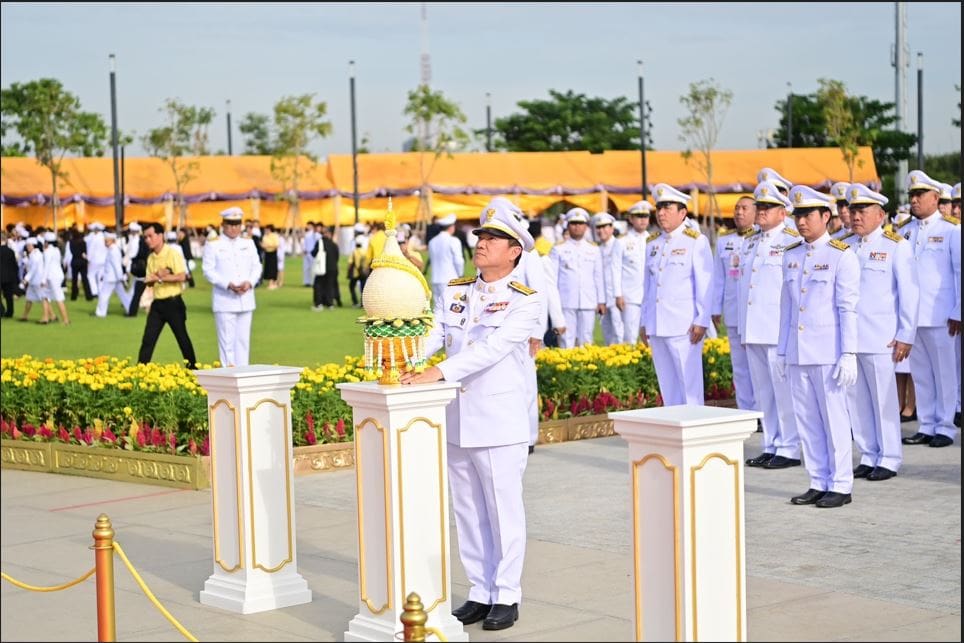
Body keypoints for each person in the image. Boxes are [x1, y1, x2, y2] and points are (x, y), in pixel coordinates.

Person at [401, 198, 540, 632]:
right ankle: (480, 590)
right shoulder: (458, 290)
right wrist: (405, 358)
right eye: (481, 236)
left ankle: (507, 594)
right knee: (467, 510)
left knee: (503, 510)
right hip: (458, 417)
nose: (482, 243)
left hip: (499, 421)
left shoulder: (524, 301)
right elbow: (438, 333)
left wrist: (437, 372)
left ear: (514, 250)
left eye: (493, 238)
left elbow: (491, 350)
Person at [778, 186, 860, 509]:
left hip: (828, 352)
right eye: (797, 215)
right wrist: (783, 352)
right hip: (799, 352)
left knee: (834, 420)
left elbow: (847, 309)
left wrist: (849, 353)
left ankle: (840, 484)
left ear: (826, 216)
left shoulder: (842, 255)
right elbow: (787, 309)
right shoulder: (791, 254)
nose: (801, 221)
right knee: (807, 419)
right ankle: (818, 480)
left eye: (807, 215)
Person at [846, 184, 919, 482]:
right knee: (858, 400)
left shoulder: (896, 245)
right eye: (853, 211)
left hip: (881, 337)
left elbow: (909, 293)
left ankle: (889, 457)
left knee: (883, 400)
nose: (856, 217)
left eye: (862, 211)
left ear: (880, 215)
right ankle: (868, 453)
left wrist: (906, 334)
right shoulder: (846, 245)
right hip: (851, 339)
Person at [739, 182, 802, 469]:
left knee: (783, 392)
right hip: (754, 328)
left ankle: (789, 447)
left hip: (777, 329)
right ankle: (772, 443)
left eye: (767, 207)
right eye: (759, 206)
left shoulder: (792, 239)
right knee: (764, 392)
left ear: (783, 211)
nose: (761, 212)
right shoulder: (751, 240)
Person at [899, 170, 961, 448]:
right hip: (913, 317)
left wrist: (959, 310)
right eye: (912, 195)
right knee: (921, 374)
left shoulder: (951, 230)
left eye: (920, 195)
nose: (914, 200)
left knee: (945, 374)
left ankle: (946, 427)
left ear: (935, 198)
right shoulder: (905, 232)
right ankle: (926, 424)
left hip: (941, 315)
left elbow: (959, 273)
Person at [639, 184, 713, 406]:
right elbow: (648, 286)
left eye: (667, 207)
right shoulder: (652, 243)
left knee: (689, 385)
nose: (661, 213)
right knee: (668, 385)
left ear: (683, 212)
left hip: (684, 325)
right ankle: (674, 434)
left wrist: (702, 319)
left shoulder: (695, 240)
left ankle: (694, 434)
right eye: (659, 208)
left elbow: (705, 283)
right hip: (657, 323)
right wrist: (644, 321)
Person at [710, 195, 757, 413]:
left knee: (758, 367)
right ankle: (747, 411)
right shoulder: (723, 241)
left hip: (755, 313)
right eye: (737, 208)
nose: (739, 212)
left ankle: (762, 411)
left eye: (744, 208)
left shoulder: (759, 239)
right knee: (739, 367)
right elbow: (718, 278)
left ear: (756, 212)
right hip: (733, 310)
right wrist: (715, 309)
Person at [202, 207, 262, 367]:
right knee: (227, 344)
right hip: (225, 300)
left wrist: (250, 282)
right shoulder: (214, 244)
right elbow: (208, 270)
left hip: (245, 298)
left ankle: (243, 378)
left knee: (243, 343)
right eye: (231, 224)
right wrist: (227, 284)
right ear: (223, 224)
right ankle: (229, 379)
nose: (234, 227)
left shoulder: (248, 243)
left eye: (237, 224)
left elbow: (257, 267)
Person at [136, 222, 198, 370]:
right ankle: (139, 372)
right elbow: (149, 281)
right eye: (145, 237)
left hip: (173, 302)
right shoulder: (151, 258)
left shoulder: (172, 253)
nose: (147, 240)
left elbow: (182, 276)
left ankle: (194, 370)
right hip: (157, 304)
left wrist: (159, 278)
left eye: (150, 236)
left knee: (182, 338)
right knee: (148, 339)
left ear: (160, 236)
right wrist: (156, 277)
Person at [549, 207, 605, 348]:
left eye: (580, 223)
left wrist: (601, 300)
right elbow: (552, 279)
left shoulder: (594, 249)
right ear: (567, 226)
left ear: (586, 226)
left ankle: (585, 369)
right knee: (566, 338)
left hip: (588, 300)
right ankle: (566, 369)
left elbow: (598, 276)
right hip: (566, 300)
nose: (577, 227)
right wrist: (554, 303)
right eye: (573, 223)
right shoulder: (558, 249)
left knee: (586, 339)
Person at [617, 201, 651, 344]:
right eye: (638, 216)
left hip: (651, 295)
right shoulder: (622, 241)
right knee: (630, 336)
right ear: (631, 219)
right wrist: (618, 294)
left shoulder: (654, 239)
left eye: (645, 216)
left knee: (650, 337)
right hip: (630, 295)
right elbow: (615, 268)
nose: (643, 219)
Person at [592, 212, 624, 345]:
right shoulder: (596, 249)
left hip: (618, 296)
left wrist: (620, 294)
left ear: (612, 228)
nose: (601, 230)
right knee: (607, 333)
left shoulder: (620, 244)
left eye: (605, 226)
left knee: (620, 332)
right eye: (599, 227)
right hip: (603, 298)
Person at [427, 213, 465, 304]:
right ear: (451, 227)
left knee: (438, 309)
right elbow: (459, 261)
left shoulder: (432, 241)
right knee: (452, 309)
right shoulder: (454, 241)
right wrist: (460, 275)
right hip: (450, 278)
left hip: (435, 279)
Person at [94, 232, 130, 317]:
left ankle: (100, 313)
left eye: (107, 241)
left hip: (111, 278)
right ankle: (130, 309)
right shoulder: (112, 249)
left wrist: (120, 277)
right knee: (123, 295)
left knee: (104, 295)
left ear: (112, 241)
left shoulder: (113, 250)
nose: (105, 242)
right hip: (114, 277)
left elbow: (116, 265)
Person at [0, 232, 18, 317]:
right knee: (8, 296)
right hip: (9, 277)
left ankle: (1, 310)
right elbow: (14, 265)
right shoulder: (11, 251)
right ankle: (10, 312)